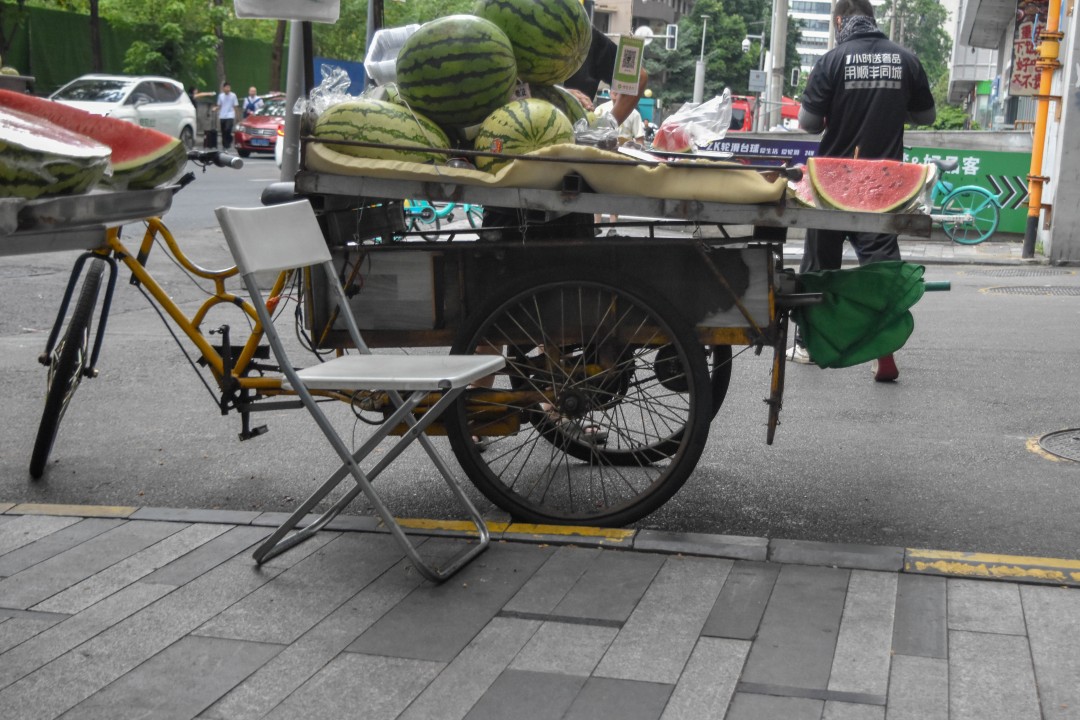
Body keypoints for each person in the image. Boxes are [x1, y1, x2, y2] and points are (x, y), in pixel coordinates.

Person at [790, 0, 935, 382]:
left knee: (820, 268)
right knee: (880, 272)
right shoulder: (906, 60)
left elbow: (807, 125)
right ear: (872, 19)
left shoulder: (831, 61)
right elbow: (926, 116)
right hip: (882, 187)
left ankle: (809, 345)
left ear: (840, 21)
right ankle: (883, 352)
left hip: (830, 186)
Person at [593, 91, 646, 234]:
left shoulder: (634, 114)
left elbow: (640, 140)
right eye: (613, 89)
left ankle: (612, 227)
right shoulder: (600, 110)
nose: (615, 92)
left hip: (621, 160)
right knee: (595, 190)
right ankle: (595, 224)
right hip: (601, 158)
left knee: (615, 192)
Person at [212, 82, 240, 151]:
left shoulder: (233, 95)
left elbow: (235, 106)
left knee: (228, 129)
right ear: (223, 88)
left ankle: (229, 140)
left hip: (230, 115)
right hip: (222, 115)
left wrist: (238, 116)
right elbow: (219, 105)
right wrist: (215, 108)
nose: (228, 89)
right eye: (226, 87)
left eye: (229, 87)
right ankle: (224, 145)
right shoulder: (220, 96)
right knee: (223, 131)